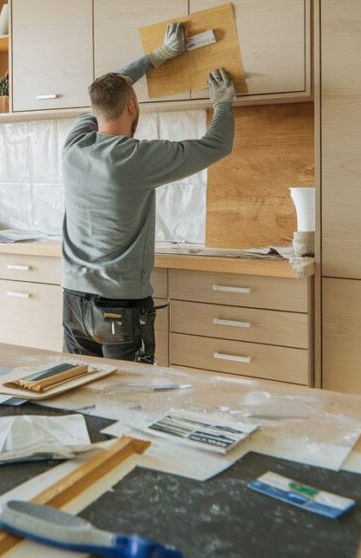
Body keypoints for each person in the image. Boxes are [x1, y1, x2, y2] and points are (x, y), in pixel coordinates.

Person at [61, 24, 236, 362]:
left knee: (79, 388)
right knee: (130, 396)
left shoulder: (74, 143)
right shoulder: (137, 157)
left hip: (73, 299)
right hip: (119, 305)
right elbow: (217, 145)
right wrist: (224, 104)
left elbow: (109, 89)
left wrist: (158, 56)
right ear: (131, 107)